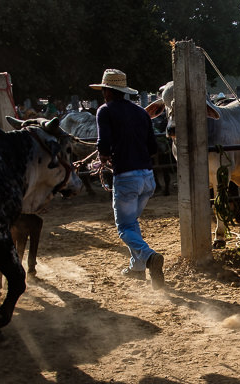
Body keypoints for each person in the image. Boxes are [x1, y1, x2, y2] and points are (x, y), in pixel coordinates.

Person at [90, 68, 165, 289]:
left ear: (107, 91)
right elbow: (153, 147)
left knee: (124, 227)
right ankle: (137, 268)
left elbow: (103, 144)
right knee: (132, 224)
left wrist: (104, 157)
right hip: (147, 178)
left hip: (126, 177)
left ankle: (149, 257)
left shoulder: (105, 111)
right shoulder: (142, 113)